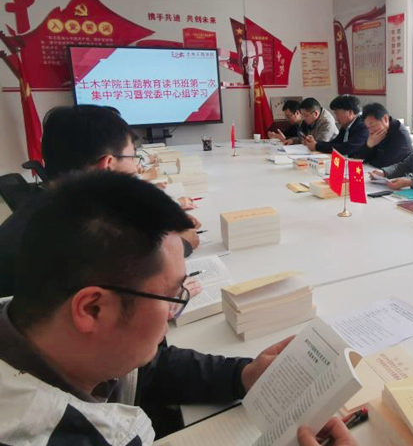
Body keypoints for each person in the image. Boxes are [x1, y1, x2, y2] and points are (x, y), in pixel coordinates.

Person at [0, 171, 342, 444]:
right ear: (93, 310)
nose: (173, 312)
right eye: (172, 296)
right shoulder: (62, 435)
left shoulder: (41, 330)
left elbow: (144, 371)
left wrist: (242, 375)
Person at [0, 105, 201, 297]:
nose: (135, 168)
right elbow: (131, 274)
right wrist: (184, 243)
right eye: (133, 157)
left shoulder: (53, 205)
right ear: (108, 164)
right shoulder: (78, 235)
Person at [304, 95, 368, 157]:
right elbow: (335, 143)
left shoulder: (363, 126)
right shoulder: (347, 125)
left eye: (337, 114)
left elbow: (346, 148)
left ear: (350, 113)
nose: (336, 118)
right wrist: (315, 143)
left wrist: (317, 146)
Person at [354, 103, 413, 168]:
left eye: (373, 126)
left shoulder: (400, 135)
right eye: (368, 127)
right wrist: (369, 145)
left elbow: (386, 164)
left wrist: (371, 159)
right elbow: (359, 159)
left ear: (385, 119)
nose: (371, 131)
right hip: (373, 170)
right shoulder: (376, 133)